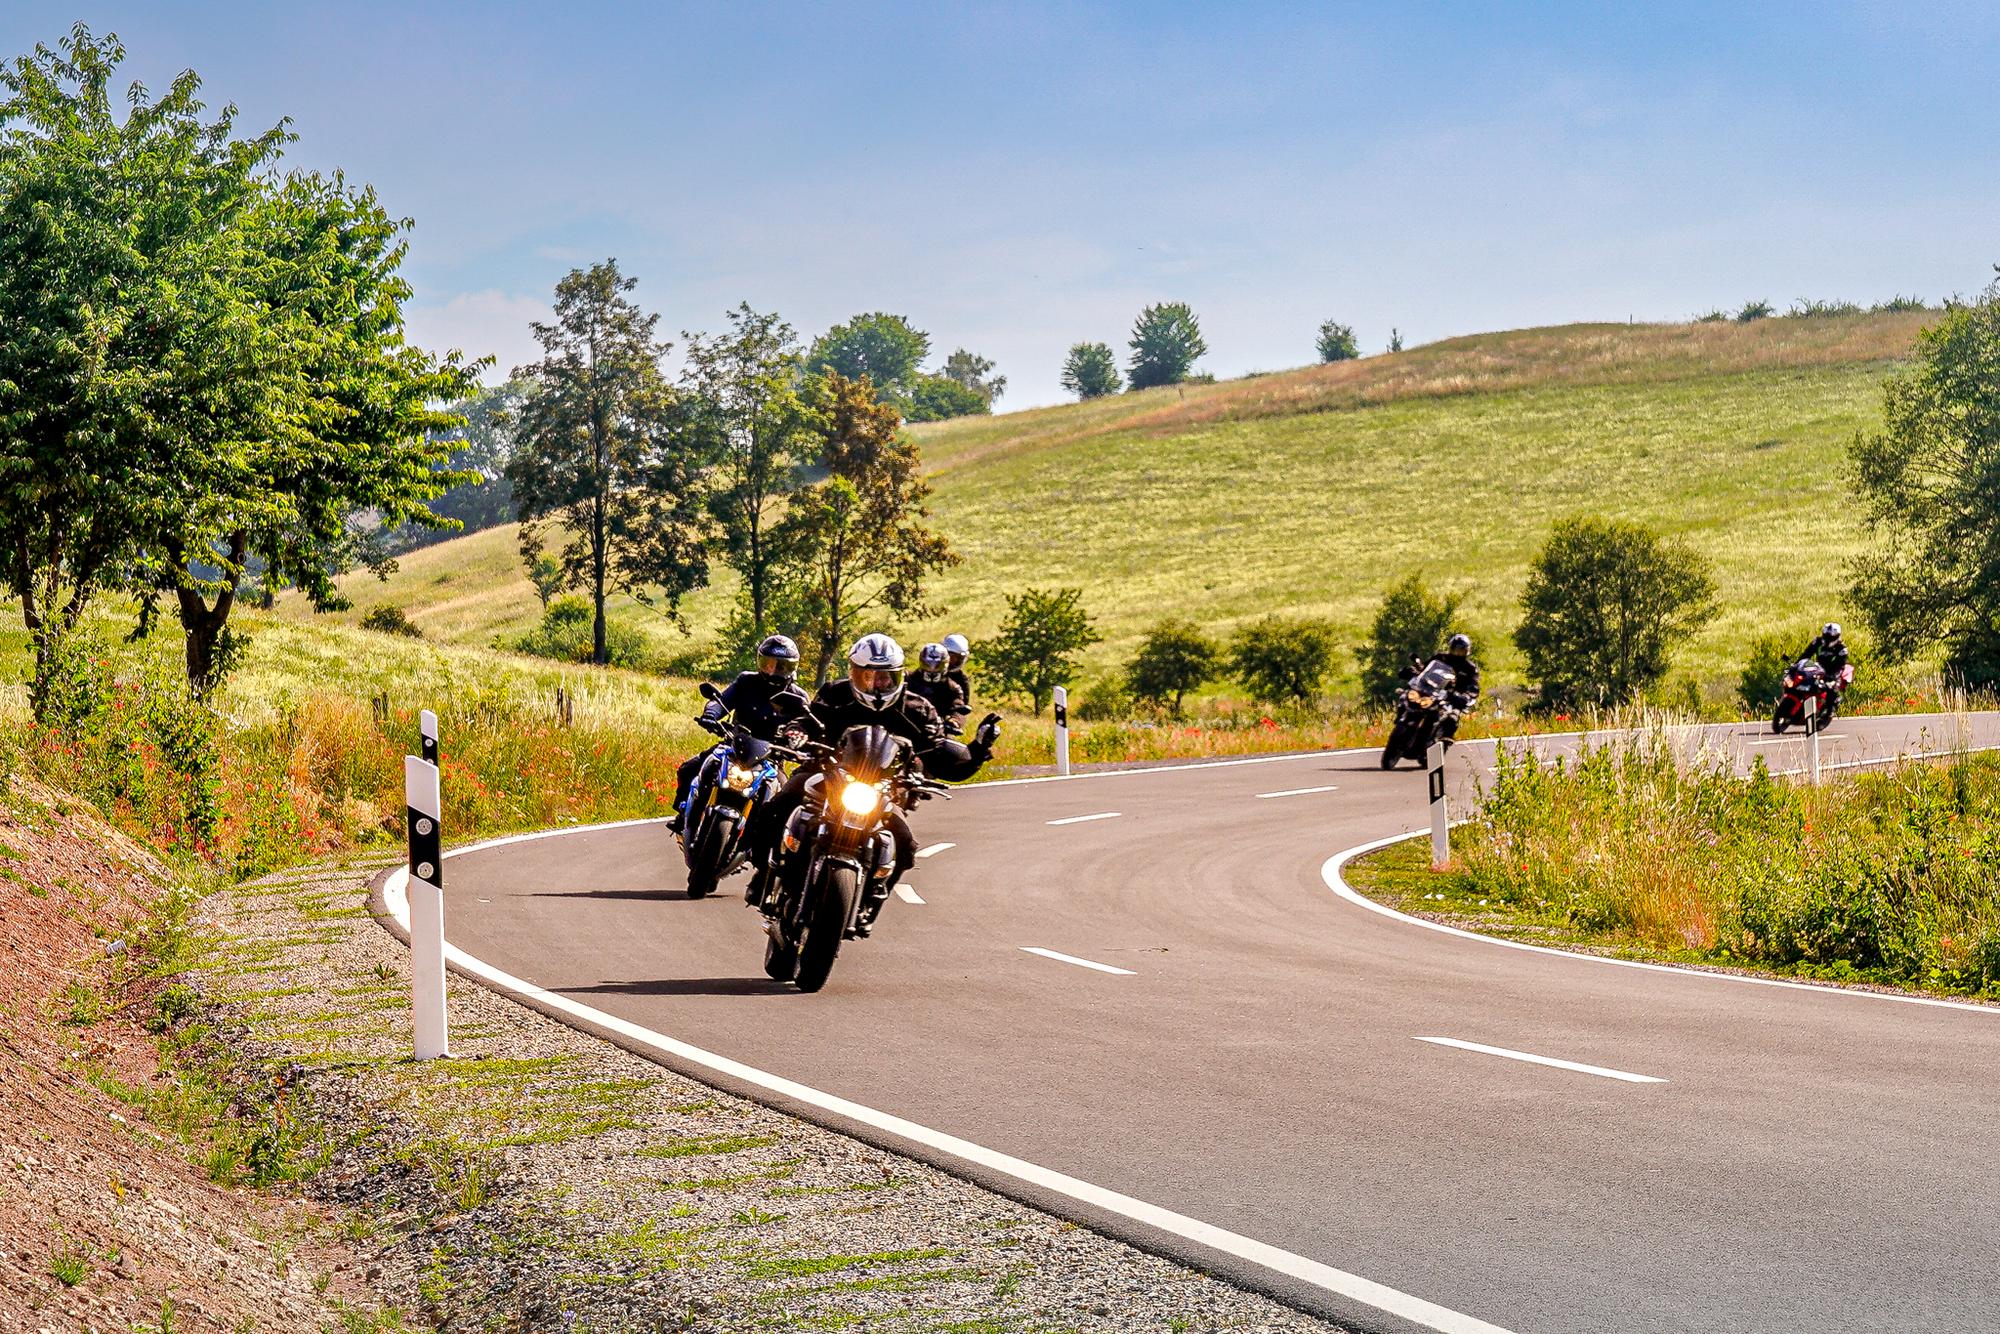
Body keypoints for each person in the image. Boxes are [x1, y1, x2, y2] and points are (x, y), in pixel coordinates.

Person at [746, 633, 1000, 931]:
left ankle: (872, 900)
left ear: (899, 676)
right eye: (868, 676)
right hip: (827, 773)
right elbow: (807, 719)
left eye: (885, 677)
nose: (877, 684)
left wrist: (978, 749)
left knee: (905, 844)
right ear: (854, 673)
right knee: (779, 805)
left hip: (882, 791)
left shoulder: (917, 709)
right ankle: (764, 873)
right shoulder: (835, 693)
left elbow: (939, 753)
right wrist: (796, 732)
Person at [667, 635, 808, 834]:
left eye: (780, 666)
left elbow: (805, 727)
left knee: (783, 803)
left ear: (791, 668)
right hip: (733, 747)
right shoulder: (746, 681)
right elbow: (722, 700)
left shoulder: (798, 698)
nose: (772, 670)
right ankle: (684, 816)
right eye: (767, 663)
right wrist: (710, 715)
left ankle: (761, 846)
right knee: (689, 769)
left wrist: (799, 743)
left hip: (772, 759)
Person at [1430, 633, 1481, 745]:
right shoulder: (1440, 658)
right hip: (1432, 693)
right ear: (1451, 648)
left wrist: (1466, 697)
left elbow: (1474, 687)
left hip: (1453, 701)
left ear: (1467, 651)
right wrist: (1413, 670)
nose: (1458, 652)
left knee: (1452, 719)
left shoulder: (1470, 668)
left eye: (1462, 650)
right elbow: (1425, 668)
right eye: (1456, 649)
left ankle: (1444, 742)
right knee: (1409, 702)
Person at [908, 642, 968, 733]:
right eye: (927, 665)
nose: (932, 669)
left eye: (938, 666)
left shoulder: (953, 687)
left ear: (946, 664)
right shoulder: (907, 679)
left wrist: (954, 721)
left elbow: (958, 707)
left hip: (937, 732)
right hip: (904, 728)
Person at [941, 632, 973, 710]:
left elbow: (962, 708)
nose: (955, 661)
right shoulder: (927, 672)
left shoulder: (961, 680)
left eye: (960, 658)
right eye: (952, 657)